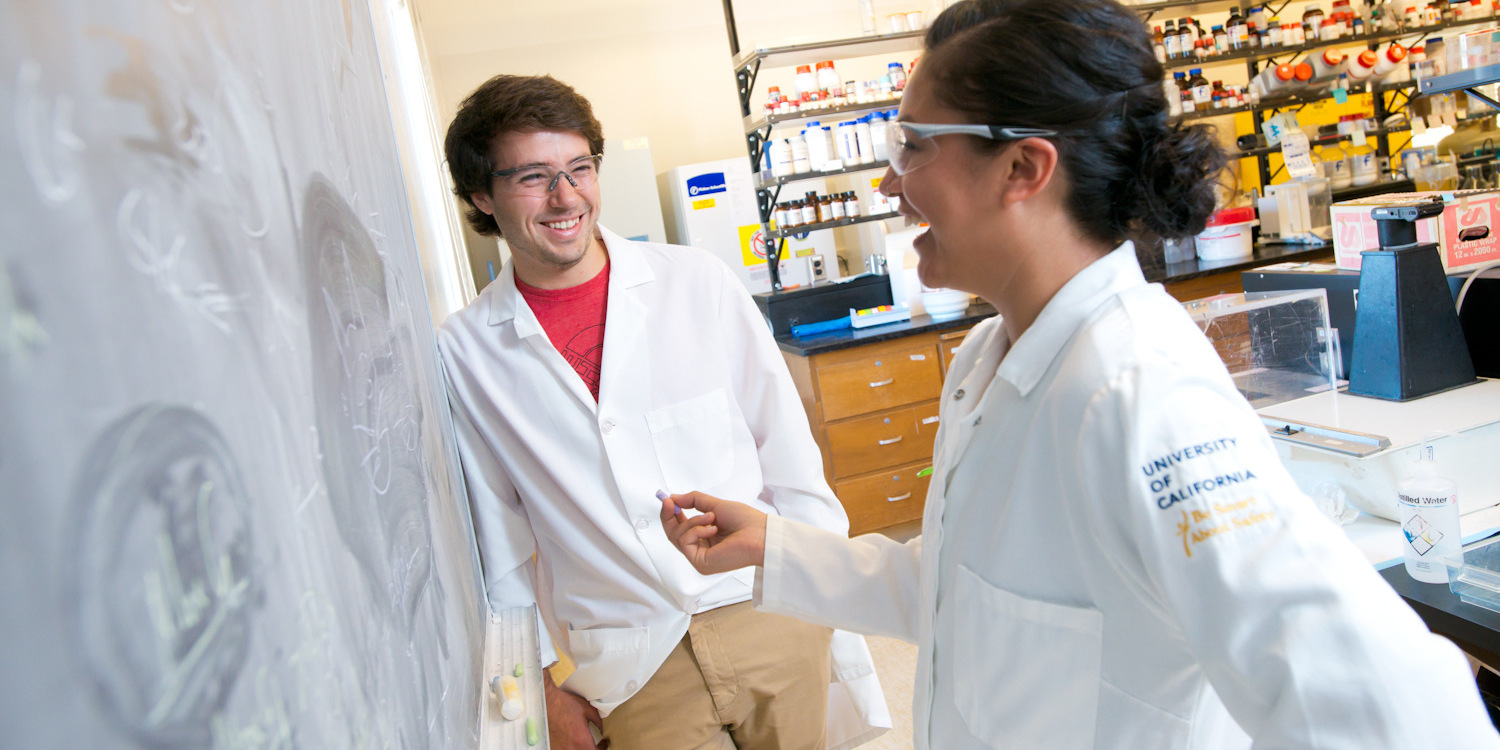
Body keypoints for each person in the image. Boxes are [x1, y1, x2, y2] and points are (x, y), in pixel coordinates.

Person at [660, 1, 1500, 747]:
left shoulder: (1138, 394)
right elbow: (959, 589)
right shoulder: (991, 359)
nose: (889, 182)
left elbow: (1396, 710)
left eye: (912, 147)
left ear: (1023, 168)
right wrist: (774, 545)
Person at [437, 74, 888, 750]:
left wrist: (821, 594)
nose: (566, 196)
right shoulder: (467, 350)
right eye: (534, 177)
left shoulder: (695, 282)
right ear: (481, 195)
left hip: (766, 610)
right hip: (631, 660)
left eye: (579, 168)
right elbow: (498, 540)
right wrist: (540, 689)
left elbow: (788, 451)